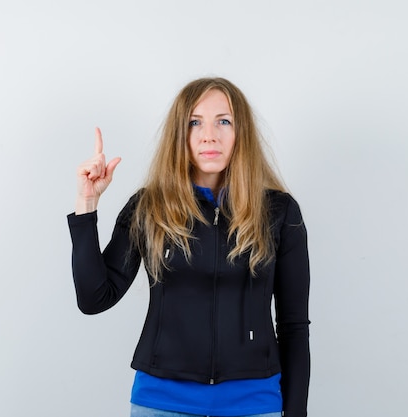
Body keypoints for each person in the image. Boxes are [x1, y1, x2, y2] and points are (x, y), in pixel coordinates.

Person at [67, 77, 310, 417]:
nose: (209, 135)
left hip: (254, 404)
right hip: (161, 404)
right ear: (179, 134)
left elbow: (293, 326)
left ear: (242, 133)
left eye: (223, 121)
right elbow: (94, 298)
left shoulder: (278, 212)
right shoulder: (149, 207)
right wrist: (86, 203)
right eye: (195, 122)